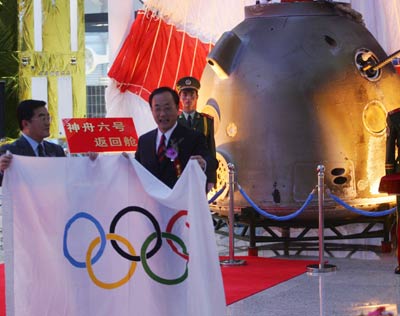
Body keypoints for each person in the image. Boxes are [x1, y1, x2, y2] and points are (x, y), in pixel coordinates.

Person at [135, 86, 217, 189]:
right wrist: (125, 162)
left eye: (167, 108)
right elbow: (136, 170)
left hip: (181, 201)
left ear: (177, 108)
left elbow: (212, 161)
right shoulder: (144, 141)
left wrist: (204, 163)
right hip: (151, 202)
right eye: (157, 109)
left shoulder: (193, 138)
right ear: (151, 110)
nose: (163, 114)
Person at [0, 99, 66, 185]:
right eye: (42, 118)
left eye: (48, 118)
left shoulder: (57, 150)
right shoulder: (10, 152)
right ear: (25, 124)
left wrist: (88, 164)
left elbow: (68, 178)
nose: (47, 123)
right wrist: (1, 169)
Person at [176, 76, 217, 191]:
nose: (188, 98)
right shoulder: (175, 122)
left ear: (197, 97)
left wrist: (211, 179)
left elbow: (211, 150)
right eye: (184, 95)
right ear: (180, 97)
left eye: (191, 95)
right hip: (181, 177)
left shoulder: (206, 121)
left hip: (201, 176)